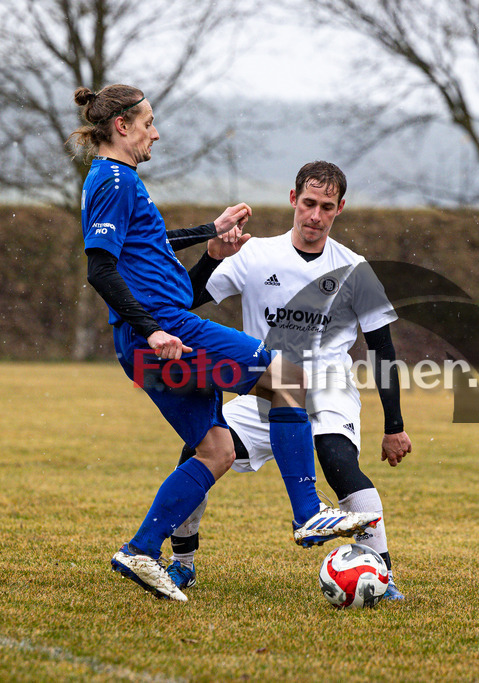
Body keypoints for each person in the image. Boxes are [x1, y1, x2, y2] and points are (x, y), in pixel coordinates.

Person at [69, 84, 380, 602]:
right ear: (121, 127)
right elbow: (100, 267)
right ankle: (307, 515)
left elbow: (146, 245)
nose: (155, 131)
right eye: (147, 122)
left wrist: (208, 236)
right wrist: (153, 328)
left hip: (151, 336)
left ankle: (142, 548)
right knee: (285, 377)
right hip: (165, 332)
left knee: (214, 449)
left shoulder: (114, 179)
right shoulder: (116, 179)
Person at [164, 161, 413, 600]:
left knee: (337, 461)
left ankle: (382, 575)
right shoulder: (255, 254)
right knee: (198, 452)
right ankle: (182, 563)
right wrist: (211, 256)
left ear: (340, 210)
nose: (316, 216)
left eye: (327, 207)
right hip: (266, 386)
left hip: (328, 386)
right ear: (294, 199)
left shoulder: (356, 270)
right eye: (310, 203)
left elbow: (383, 349)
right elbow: (186, 297)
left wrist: (394, 425)